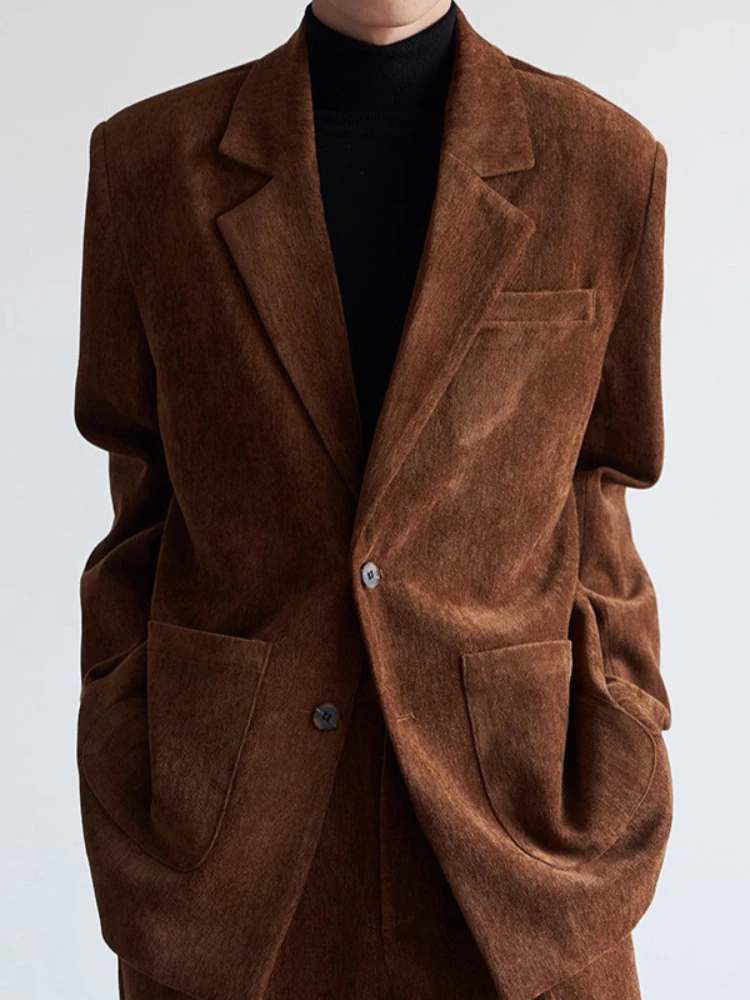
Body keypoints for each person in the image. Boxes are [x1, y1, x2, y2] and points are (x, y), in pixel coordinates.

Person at [74, 2, 673, 998]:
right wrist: (124, 737)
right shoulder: (151, 164)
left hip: (526, 853)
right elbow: (139, 504)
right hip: (227, 861)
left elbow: (604, 490)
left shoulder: (605, 165)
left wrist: (622, 739)